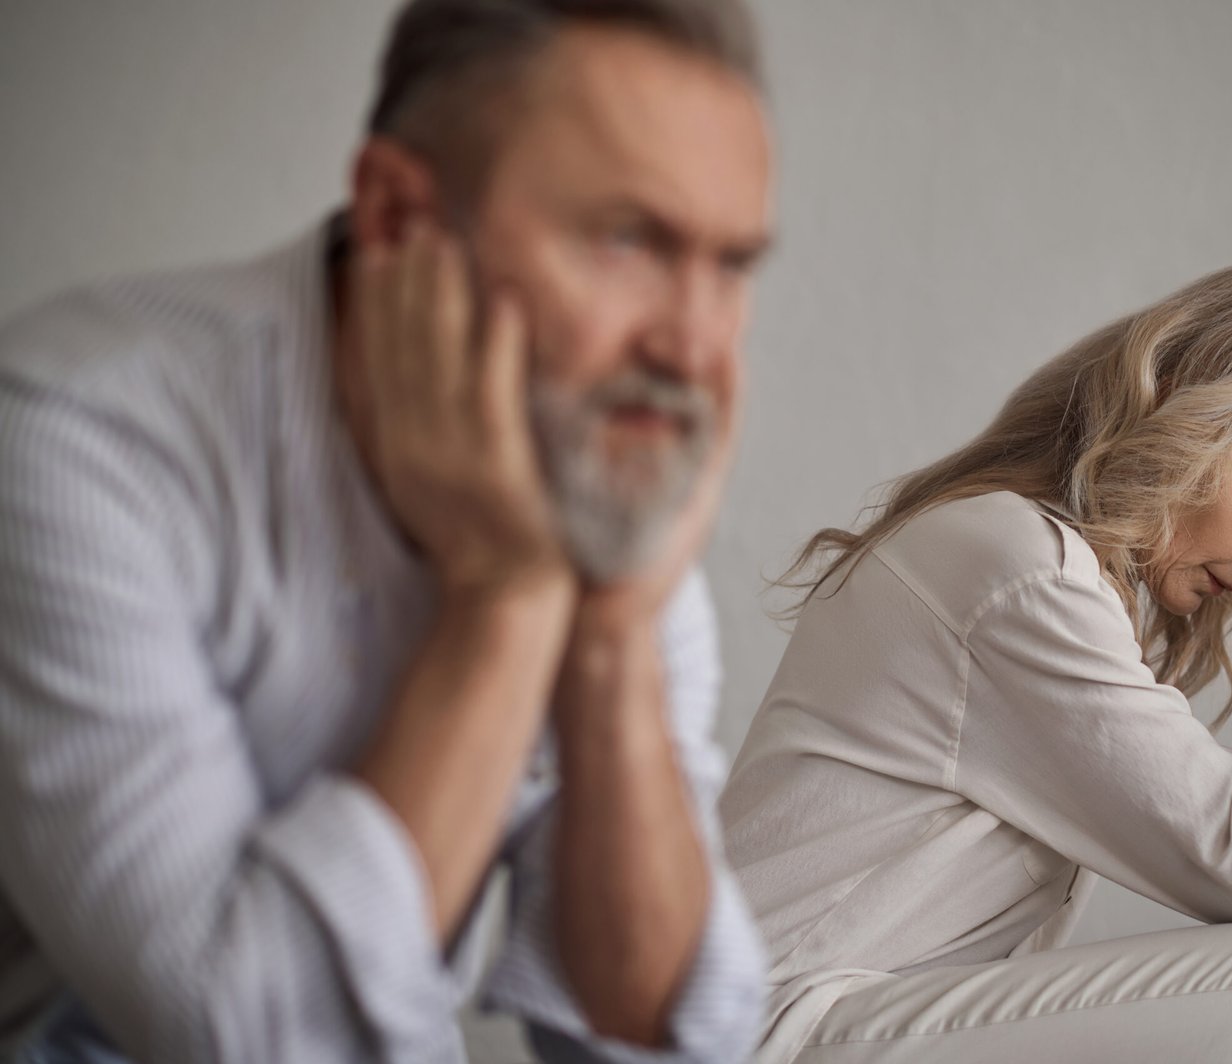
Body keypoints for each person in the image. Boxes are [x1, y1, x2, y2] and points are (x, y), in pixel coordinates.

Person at [0, 1, 774, 1061]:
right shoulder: (76, 441)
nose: (691, 347)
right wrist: (508, 592)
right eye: (629, 239)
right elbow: (247, 1039)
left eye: (731, 266)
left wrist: (605, 637)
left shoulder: (601, 468)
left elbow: (652, 1036)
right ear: (398, 213)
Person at [719, 266, 1232, 1064]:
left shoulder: (1009, 559)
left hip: (809, 1023)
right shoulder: (1017, 573)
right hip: (769, 1034)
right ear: (1177, 408)